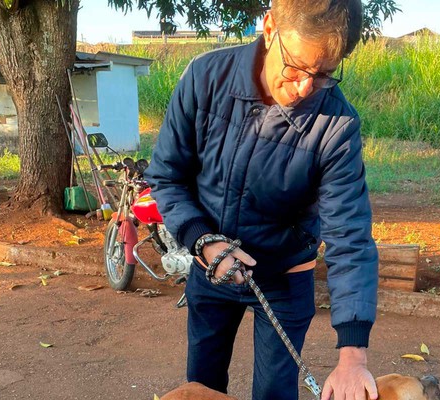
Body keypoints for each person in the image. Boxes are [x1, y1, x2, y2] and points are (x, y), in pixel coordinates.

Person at [145, 1, 379, 399]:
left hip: (285, 276)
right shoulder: (206, 79)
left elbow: (350, 237)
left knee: (275, 391)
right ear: (269, 27)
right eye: (296, 66)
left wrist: (353, 357)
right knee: (201, 388)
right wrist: (203, 239)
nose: (305, 87)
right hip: (211, 266)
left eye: (323, 75)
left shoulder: (337, 126)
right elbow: (167, 177)